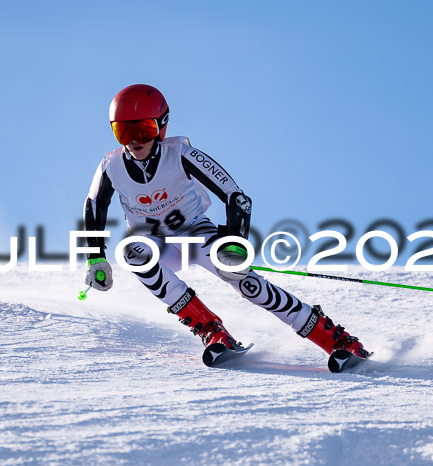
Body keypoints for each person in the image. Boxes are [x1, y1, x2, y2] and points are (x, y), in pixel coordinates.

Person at [82, 84, 370, 365]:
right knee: (134, 253)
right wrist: (95, 257)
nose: (134, 140)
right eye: (123, 131)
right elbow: (94, 206)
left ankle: (339, 341)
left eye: (143, 129)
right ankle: (212, 331)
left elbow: (236, 197)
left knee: (248, 286)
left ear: (162, 125)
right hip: (155, 242)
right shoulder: (111, 166)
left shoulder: (180, 154)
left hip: (195, 234)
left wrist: (235, 243)